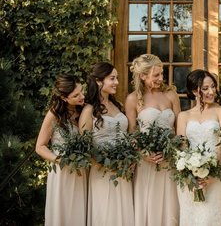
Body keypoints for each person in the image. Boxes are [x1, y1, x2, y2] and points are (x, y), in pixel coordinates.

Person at [125, 54, 181, 226]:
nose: (161, 78)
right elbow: (132, 133)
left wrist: (172, 150)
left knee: (171, 207)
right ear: (143, 76)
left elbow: (180, 128)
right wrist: (143, 154)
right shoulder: (132, 99)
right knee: (149, 206)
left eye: (162, 74)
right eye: (156, 75)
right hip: (146, 163)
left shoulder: (171, 94)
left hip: (169, 161)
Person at [79, 62, 134, 226]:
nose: (117, 82)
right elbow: (84, 146)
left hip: (124, 171)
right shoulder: (88, 109)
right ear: (98, 81)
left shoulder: (118, 106)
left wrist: (129, 160)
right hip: (102, 172)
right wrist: (104, 164)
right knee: (105, 215)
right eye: (112, 78)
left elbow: (127, 135)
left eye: (116, 78)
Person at [176, 69, 221, 226]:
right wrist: (190, 174)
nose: (212, 91)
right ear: (195, 91)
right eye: (206, 88)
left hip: (215, 176)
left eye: (213, 86)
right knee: (189, 219)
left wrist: (211, 173)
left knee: (210, 219)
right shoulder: (183, 116)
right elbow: (182, 147)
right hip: (189, 179)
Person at [35, 74, 87, 226]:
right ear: (64, 98)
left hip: (81, 170)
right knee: (62, 214)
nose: (82, 96)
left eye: (82, 91)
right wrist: (61, 161)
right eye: (76, 95)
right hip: (62, 170)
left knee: (79, 211)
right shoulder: (54, 114)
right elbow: (40, 146)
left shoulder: (85, 110)